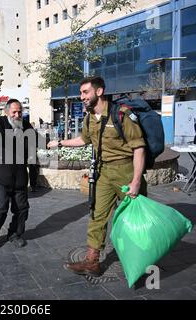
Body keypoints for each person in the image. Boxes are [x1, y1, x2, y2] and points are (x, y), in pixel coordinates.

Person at [47, 76, 147, 277]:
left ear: (99, 91)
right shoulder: (89, 117)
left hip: (126, 170)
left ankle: (142, 260)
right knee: (97, 216)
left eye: (86, 92)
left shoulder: (121, 115)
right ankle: (92, 261)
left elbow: (139, 148)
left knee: (135, 218)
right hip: (103, 173)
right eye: (81, 92)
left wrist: (136, 181)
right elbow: (83, 140)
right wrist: (59, 143)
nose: (82, 96)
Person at [0, 99, 35, 248]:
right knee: (0, 208)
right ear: (6, 112)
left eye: (19, 112)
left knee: (22, 209)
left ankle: (15, 234)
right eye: (14, 112)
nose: (17, 115)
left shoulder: (25, 125)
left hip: (19, 177)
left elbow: (34, 141)